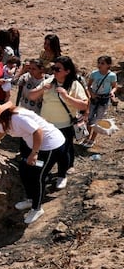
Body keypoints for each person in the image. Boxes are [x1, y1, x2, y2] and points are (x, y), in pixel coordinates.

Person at [0, 101, 69, 224]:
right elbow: (0, 132)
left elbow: (38, 131)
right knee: (24, 169)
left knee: (38, 176)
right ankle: (31, 199)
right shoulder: (5, 120)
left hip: (50, 146)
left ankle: (37, 208)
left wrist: (34, 153)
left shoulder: (18, 118)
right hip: (38, 146)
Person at [27, 56, 88, 188]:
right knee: (42, 151)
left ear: (67, 71)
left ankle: (62, 175)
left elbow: (84, 105)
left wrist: (66, 96)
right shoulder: (49, 81)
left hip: (64, 126)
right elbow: (31, 95)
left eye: (57, 69)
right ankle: (44, 172)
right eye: (53, 68)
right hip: (46, 125)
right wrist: (43, 89)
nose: (54, 71)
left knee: (62, 153)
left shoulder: (74, 85)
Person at [83, 55, 118, 148]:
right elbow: (88, 86)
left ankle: (92, 139)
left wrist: (112, 92)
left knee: (98, 120)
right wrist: (91, 94)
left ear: (108, 65)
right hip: (94, 98)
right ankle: (86, 137)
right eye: (98, 63)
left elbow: (114, 86)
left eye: (102, 63)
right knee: (89, 118)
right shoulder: (94, 74)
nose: (99, 65)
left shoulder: (112, 75)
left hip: (104, 99)